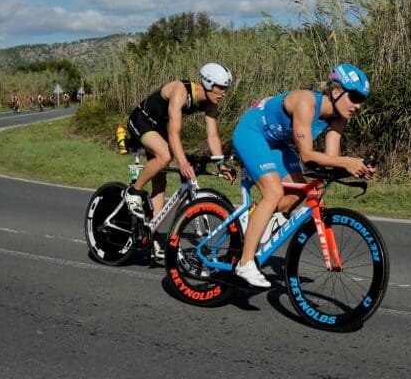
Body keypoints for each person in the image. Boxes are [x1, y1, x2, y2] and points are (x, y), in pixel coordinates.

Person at [231, 64, 375, 288]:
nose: (357, 106)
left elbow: (330, 159)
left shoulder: (339, 117)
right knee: (274, 192)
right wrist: (346, 161)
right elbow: (308, 156)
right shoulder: (306, 102)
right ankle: (246, 262)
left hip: (276, 143)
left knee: (298, 193)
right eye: (354, 97)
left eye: (361, 101)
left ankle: (253, 222)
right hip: (252, 131)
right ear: (336, 92)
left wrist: (356, 167)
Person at [124, 63, 235, 261]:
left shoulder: (211, 103)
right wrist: (183, 162)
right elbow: (174, 133)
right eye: (220, 87)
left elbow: (213, 137)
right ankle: (133, 192)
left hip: (158, 129)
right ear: (208, 83)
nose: (224, 93)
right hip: (142, 119)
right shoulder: (181, 90)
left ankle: (151, 233)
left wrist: (220, 164)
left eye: (226, 88)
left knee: (161, 182)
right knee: (166, 156)